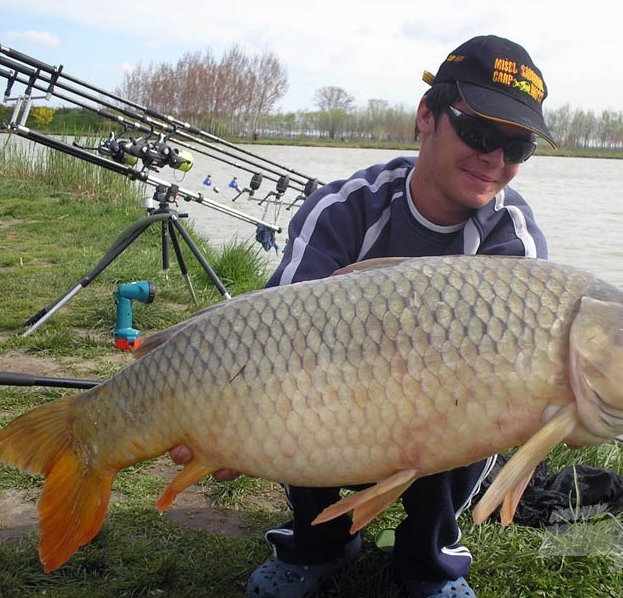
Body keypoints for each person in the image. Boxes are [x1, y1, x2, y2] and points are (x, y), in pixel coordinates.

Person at [170, 34, 557, 598]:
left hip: (449, 413)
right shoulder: (345, 207)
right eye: (477, 132)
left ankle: (429, 560)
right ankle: (315, 544)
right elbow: (270, 343)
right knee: (296, 394)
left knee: (483, 409)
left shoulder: (511, 238)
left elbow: (519, 376)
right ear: (426, 116)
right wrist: (226, 427)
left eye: (517, 146)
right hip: (335, 406)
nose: (495, 159)